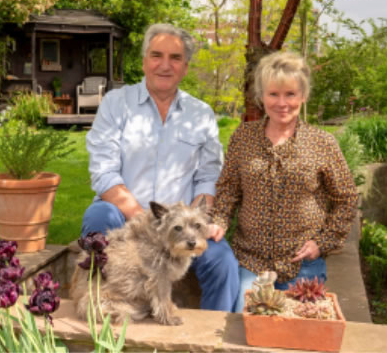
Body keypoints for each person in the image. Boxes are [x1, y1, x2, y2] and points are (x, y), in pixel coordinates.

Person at [81, 23, 239, 312]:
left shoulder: (201, 114)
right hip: (127, 219)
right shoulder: (116, 104)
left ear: (186, 67)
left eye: (175, 58)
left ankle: (212, 340)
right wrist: (148, 223)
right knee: (98, 217)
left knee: (223, 263)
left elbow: (208, 176)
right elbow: (104, 174)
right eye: (156, 55)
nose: (165, 65)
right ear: (144, 62)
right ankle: (98, 312)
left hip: (183, 223)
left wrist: (191, 224)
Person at [210, 51, 359, 312]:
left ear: (303, 96)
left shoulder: (322, 143)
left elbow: (346, 198)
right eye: (273, 94)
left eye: (290, 94)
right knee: (245, 329)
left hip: (303, 265)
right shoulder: (243, 137)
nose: (282, 103)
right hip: (250, 262)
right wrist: (219, 222)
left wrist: (321, 243)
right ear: (262, 96)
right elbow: (228, 189)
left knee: (294, 336)